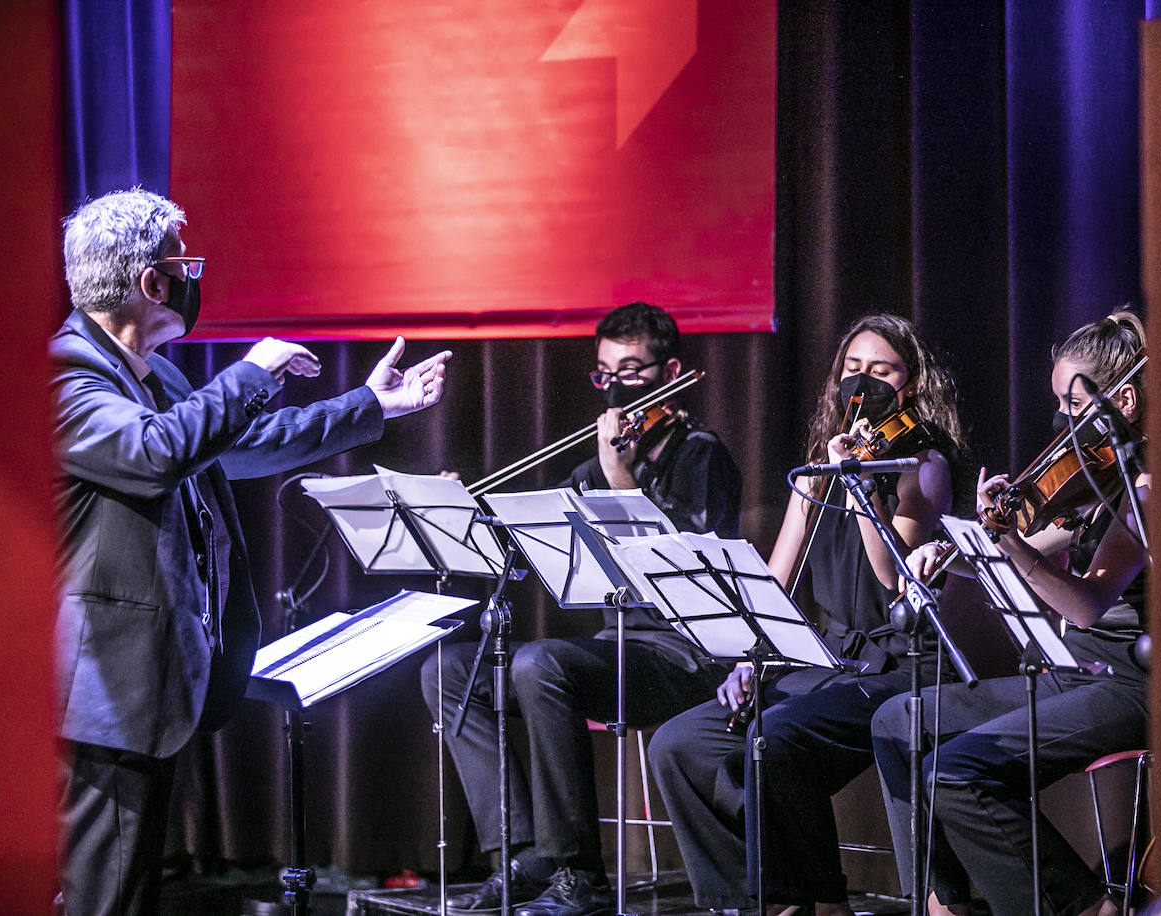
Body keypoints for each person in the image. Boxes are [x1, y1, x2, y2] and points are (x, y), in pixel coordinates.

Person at [51, 188, 452, 915]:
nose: (195, 277)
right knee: (102, 893)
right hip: (106, 684)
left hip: (155, 677)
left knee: (129, 889)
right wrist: (252, 372)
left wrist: (370, 407)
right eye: (186, 263)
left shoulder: (156, 373)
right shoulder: (68, 372)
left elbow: (240, 443)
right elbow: (152, 453)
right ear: (153, 282)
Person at [421, 302, 742, 916]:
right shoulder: (591, 468)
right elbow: (527, 551)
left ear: (670, 370)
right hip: (616, 651)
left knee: (541, 663)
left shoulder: (701, 454)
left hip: (685, 661)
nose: (616, 387)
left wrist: (620, 479)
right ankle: (528, 851)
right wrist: (459, 515)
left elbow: (681, 570)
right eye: (603, 373)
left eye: (632, 370)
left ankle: (578, 872)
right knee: (450, 671)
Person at [648, 314, 964, 915]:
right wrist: (751, 659)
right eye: (851, 370)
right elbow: (778, 579)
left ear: (911, 384)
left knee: (777, 737)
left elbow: (894, 576)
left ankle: (823, 903)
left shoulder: (923, 465)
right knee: (679, 744)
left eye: (881, 371)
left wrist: (862, 488)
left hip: (900, 666)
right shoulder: (820, 467)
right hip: (829, 659)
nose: (862, 383)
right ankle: (757, 900)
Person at [871, 311, 1150, 916]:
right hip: (1074, 674)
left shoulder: (1146, 491)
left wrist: (1015, 547)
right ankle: (943, 903)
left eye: (1072, 405)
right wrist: (955, 550)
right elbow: (1012, 551)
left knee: (959, 772)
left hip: (1132, 683)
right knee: (900, 721)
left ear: (1123, 400)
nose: (1061, 427)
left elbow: (1086, 602)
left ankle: (1081, 907)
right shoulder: (1089, 488)